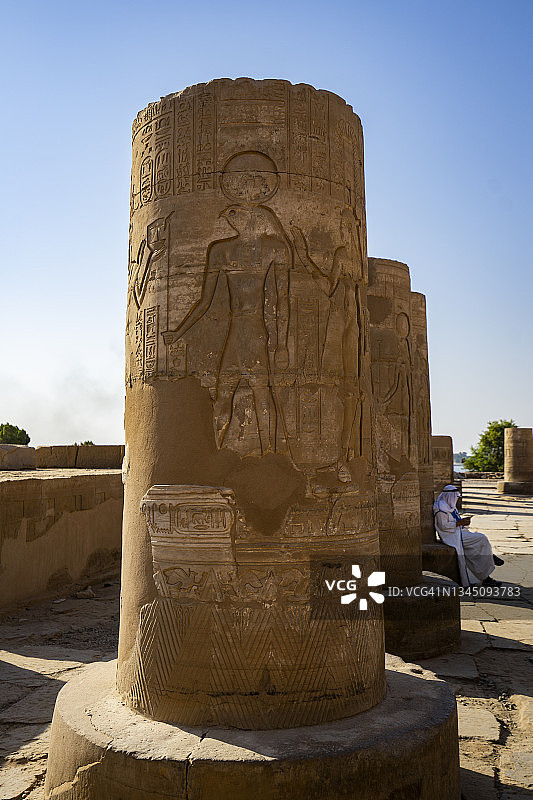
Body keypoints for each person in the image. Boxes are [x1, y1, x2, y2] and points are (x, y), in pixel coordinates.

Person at [433, 485, 504, 587]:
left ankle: (486, 576)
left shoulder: (450, 505)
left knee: (474, 552)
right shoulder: (441, 509)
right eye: (455, 497)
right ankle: (490, 558)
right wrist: (459, 523)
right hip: (451, 536)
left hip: (458, 531)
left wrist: (464, 522)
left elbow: (456, 520)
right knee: (481, 538)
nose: (456, 500)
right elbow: (443, 526)